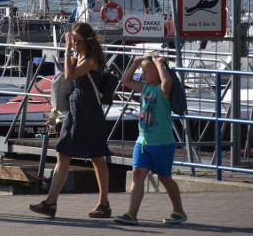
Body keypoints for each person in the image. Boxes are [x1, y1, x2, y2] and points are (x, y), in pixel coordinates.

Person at [29, 21, 112, 219]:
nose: (75, 44)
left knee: (96, 156)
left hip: (89, 110)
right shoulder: (81, 56)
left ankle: (104, 203)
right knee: (63, 153)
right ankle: (51, 202)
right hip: (75, 109)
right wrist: (71, 55)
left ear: (88, 41)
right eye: (72, 41)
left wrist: (66, 52)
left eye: (78, 41)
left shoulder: (91, 59)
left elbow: (69, 75)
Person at [114, 55, 188, 225]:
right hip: (143, 141)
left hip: (162, 143)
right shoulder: (145, 87)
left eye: (148, 71)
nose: (144, 75)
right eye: (143, 71)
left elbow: (167, 83)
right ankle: (131, 213)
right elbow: (125, 80)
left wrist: (160, 63)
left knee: (164, 177)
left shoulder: (162, 90)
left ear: (158, 73)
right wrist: (134, 64)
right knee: (137, 174)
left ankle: (179, 210)